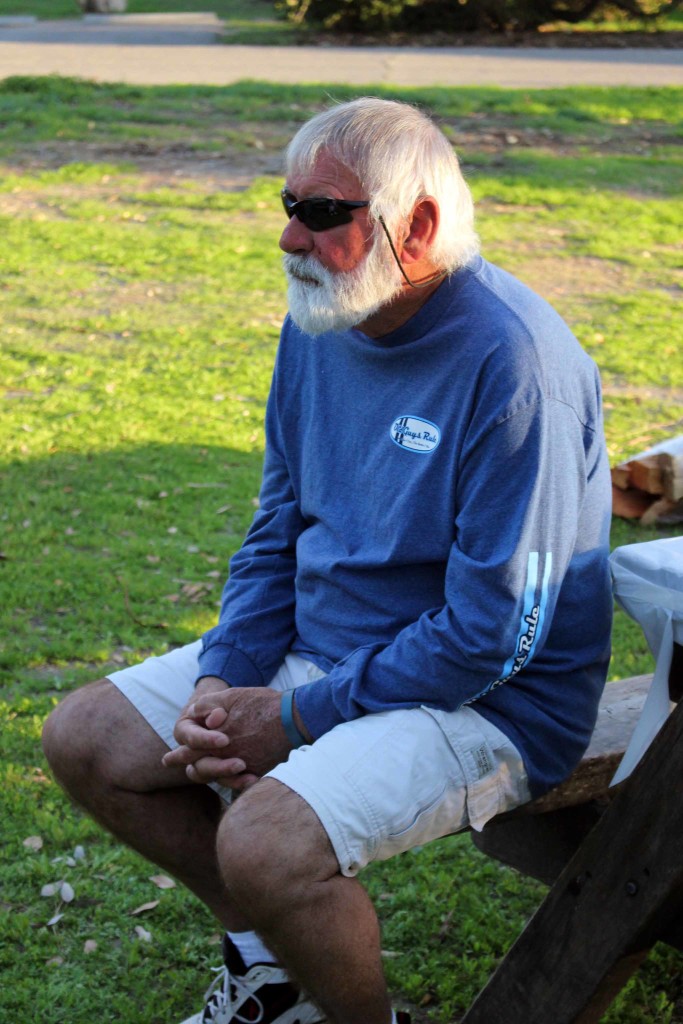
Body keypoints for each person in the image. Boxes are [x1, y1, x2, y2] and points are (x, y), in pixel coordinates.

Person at [42, 97, 613, 1024]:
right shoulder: (324, 314)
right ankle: (272, 970)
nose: (286, 237)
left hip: (492, 700)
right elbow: (279, 523)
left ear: (417, 226)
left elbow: (494, 635)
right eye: (287, 203)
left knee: (264, 843)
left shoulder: (516, 366)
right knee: (86, 740)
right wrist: (226, 672)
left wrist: (298, 715)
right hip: (333, 651)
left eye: (320, 213)